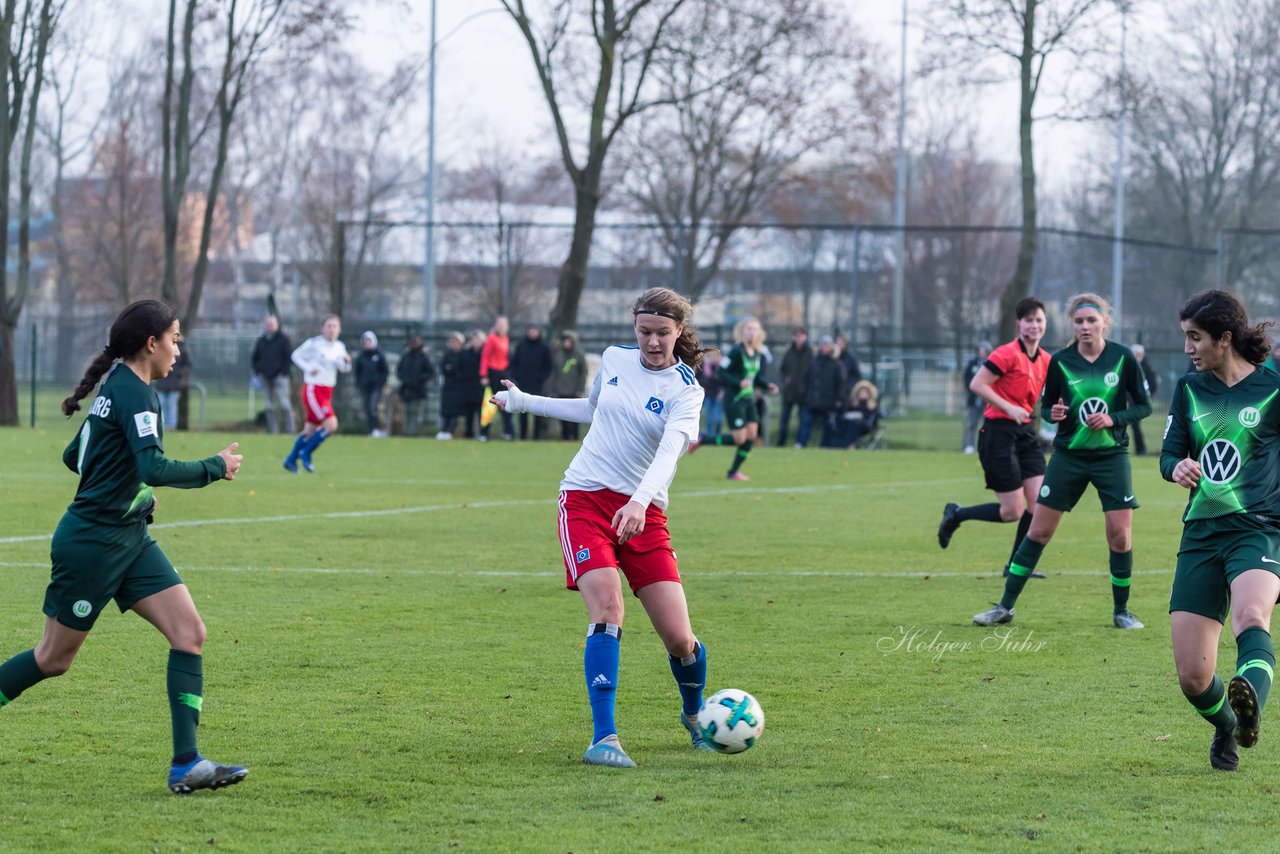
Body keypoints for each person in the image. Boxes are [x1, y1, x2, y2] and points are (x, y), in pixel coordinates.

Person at [0, 299, 247, 795]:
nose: (179, 349)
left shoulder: (117, 386)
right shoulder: (135, 393)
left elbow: (77, 456)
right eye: (175, 339)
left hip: (129, 538)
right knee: (53, 659)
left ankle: (187, 764)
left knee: (189, 631)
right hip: (92, 543)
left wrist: (130, 492)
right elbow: (151, 466)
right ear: (151, 343)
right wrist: (213, 467)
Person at [490, 286, 713, 768]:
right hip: (585, 500)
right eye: (644, 331)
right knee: (608, 608)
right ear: (634, 328)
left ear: (679, 332)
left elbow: (670, 451)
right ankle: (604, 737)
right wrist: (525, 402)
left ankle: (695, 714)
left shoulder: (686, 390)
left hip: (644, 513)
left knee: (680, 640)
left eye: (662, 333)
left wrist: (637, 503)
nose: (653, 342)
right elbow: (592, 411)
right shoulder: (613, 358)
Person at [972, 294, 1151, 629]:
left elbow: (1143, 406)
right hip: (1069, 455)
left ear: (1104, 323)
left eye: (1091, 321)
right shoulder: (1061, 361)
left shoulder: (1123, 358)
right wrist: (1054, 414)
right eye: (1079, 321)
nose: (1085, 327)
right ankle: (1005, 606)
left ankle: (1122, 611)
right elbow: (1048, 408)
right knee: (1038, 530)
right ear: (1072, 325)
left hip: (1111, 456)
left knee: (1120, 536)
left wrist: (1114, 418)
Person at [1161, 289, 1280, 772]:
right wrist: (1177, 469)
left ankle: (1252, 703)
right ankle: (1230, 724)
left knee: (1252, 615)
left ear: (1225, 338)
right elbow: (1169, 453)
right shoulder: (1189, 389)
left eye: (1196, 337)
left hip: (1259, 529)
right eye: (1185, 337)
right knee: (1193, 676)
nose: (1188, 348)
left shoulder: (1273, 389)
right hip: (1201, 535)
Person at [937, 297, 1049, 579]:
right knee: (1013, 511)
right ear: (1018, 324)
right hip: (997, 433)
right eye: (1029, 320)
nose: (1034, 325)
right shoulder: (1006, 353)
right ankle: (956, 514)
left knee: (1038, 505)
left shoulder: (1046, 359)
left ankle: (1016, 567)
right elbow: (977, 384)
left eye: (1039, 320)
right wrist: (1008, 407)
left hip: (1026, 433)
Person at [693, 318, 777, 481]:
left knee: (752, 435)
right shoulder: (736, 351)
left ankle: (733, 472)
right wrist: (738, 382)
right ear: (742, 331)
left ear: (759, 333)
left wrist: (768, 386)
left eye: (755, 329)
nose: (752, 332)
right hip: (734, 400)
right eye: (748, 328)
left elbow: (757, 377)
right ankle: (703, 439)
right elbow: (721, 373)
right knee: (740, 438)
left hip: (748, 400)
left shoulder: (758, 353)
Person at [283, 315, 351, 473]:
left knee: (310, 430)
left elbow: (344, 369)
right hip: (314, 390)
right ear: (323, 328)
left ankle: (291, 460)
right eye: (329, 326)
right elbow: (295, 356)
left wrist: (347, 362)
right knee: (331, 424)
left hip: (327, 391)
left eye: (335, 326)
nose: (332, 329)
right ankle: (306, 453)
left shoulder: (339, 347)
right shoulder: (314, 344)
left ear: (339, 329)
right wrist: (308, 368)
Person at [794, 335, 846, 449]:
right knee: (806, 423)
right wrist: (804, 395)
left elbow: (841, 384)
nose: (825, 347)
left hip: (829, 401)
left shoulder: (837, 365)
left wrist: (838, 399)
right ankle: (800, 444)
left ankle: (825, 445)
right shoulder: (813, 363)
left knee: (828, 425)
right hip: (811, 400)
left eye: (827, 345)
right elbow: (805, 380)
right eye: (823, 345)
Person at [251, 315, 295, 434]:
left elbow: (289, 357)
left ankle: (290, 430)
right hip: (265, 377)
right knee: (269, 407)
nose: (270, 326)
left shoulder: (283, 339)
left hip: (280, 377)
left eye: (272, 324)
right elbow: (255, 358)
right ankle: (273, 431)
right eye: (268, 324)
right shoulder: (261, 340)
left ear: (277, 325)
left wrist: (284, 372)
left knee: (285, 405)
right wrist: (258, 372)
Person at [510, 323, 553, 440]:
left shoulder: (544, 347)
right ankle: (522, 436)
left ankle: (536, 437)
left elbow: (548, 366)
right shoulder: (521, 346)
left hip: (537, 384)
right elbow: (514, 363)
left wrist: (541, 378)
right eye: (530, 330)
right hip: (522, 383)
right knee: (522, 410)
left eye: (535, 330)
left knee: (537, 411)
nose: (532, 333)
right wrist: (517, 377)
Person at [776, 327, 813, 448]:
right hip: (789, 392)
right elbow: (783, 370)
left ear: (806, 337)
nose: (798, 338)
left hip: (804, 393)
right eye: (796, 335)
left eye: (801, 335)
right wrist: (786, 379)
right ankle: (781, 442)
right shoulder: (789, 352)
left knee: (803, 419)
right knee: (784, 419)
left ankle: (800, 443)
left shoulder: (810, 353)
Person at [479, 316, 515, 440]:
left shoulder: (506, 339)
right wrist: (483, 375)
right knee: (491, 403)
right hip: (493, 373)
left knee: (506, 402)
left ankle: (508, 432)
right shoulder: (491, 339)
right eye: (499, 324)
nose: (501, 326)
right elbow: (485, 357)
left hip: (503, 373)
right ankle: (484, 432)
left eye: (503, 324)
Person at [548, 330, 588, 440]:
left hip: (574, 390)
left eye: (569, 341)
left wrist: (580, 388)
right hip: (561, 389)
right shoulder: (558, 354)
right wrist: (553, 388)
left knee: (574, 416)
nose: (567, 343)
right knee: (562, 415)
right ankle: (564, 436)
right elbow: (554, 373)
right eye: (565, 341)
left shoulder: (579, 355)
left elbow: (583, 373)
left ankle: (574, 436)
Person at [397, 335, 435, 437]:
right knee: (406, 413)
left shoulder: (423, 357)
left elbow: (430, 372)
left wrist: (419, 379)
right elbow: (399, 370)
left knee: (415, 413)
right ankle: (406, 432)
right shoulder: (406, 357)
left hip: (418, 390)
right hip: (406, 389)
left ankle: (413, 433)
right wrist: (405, 379)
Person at [354, 331, 389, 437]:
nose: (367, 343)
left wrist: (380, 382)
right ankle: (371, 430)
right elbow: (357, 372)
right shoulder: (361, 356)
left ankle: (377, 429)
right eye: (366, 341)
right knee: (367, 408)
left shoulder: (379, 355)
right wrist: (359, 383)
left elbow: (385, 371)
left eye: (369, 341)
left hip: (376, 387)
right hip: (365, 387)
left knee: (374, 407)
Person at [436, 332, 472, 439]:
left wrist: (452, 370)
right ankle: (443, 430)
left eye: (456, 342)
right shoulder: (447, 355)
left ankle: (450, 431)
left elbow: (463, 371)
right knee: (446, 411)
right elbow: (444, 368)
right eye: (452, 342)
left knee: (454, 412)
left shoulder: (464, 356)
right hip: (448, 387)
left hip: (459, 388)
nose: (454, 344)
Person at [1129, 343, 1159, 455]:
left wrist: (1146, 396)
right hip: (1132, 402)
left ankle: (1141, 450)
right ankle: (1139, 450)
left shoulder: (1148, 368)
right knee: (1133, 425)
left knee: (1136, 424)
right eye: (1134, 354)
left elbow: (1153, 385)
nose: (1137, 357)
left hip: (1142, 402)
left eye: (1138, 354)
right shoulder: (1129, 368)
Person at [962, 341, 992, 454]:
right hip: (973, 401)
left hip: (986, 401)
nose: (982, 352)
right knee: (972, 424)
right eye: (980, 350)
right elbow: (966, 379)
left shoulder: (991, 363)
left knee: (985, 426)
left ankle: (985, 446)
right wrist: (970, 390)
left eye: (984, 350)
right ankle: (969, 445)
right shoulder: (972, 363)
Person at [834, 379, 881, 449]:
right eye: (861, 392)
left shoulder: (872, 405)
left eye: (865, 392)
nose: (863, 394)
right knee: (848, 423)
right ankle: (843, 445)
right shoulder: (852, 403)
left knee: (855, 424)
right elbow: (844, 413)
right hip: (849, 424)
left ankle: (845, 445)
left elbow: (871, 418)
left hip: (864, 426)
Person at [153, 347, 191, 431]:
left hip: (175, 383)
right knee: (161, 404)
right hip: (162, 382)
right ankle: (160, 424)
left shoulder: (182, 347)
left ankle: (171, 426)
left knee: (172, 404)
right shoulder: (163, 344)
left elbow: (187, 364)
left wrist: (179, 374)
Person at [697, 351, 724, 436]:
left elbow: (723, 381)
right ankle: (709, 436)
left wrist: (722, 391)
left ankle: (717, 435)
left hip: (718, 395)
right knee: (709, 418)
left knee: (718, 418)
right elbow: (701, 380)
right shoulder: (704, 367)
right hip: (708, 394)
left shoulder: (721, 367)